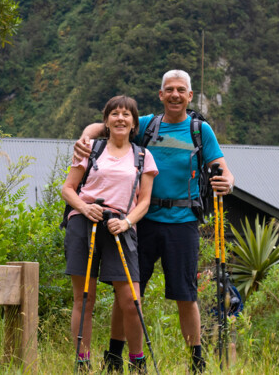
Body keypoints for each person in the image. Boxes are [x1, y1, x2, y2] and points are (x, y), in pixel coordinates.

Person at [75, 70, 235, 373]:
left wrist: (227, 182)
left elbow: (223, 169)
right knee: (129, 294)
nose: (175, 95)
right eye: (169, 90)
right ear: (161, 95)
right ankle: (114, 357)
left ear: (189, 96)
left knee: (186, 295)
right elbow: (105, 125)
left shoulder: (201, 131)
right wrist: (86, 135)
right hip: (141, 221)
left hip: (184, 221)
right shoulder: (146, 126)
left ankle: (196, 361)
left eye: (181, 90)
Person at [63, 95, 158, 373]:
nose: (120, 118)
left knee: (131, 300)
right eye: (115, 114)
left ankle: (136, 360)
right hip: (84, 223)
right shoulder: (91, 149)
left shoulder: (143, 156)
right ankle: (83, 362)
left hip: (121, 225)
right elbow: (68, 188)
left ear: (134, 124)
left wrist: (127, 222)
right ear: (106, 121)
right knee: (85, 298)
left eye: (126, 115)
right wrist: (84, 206)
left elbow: (144, 202)